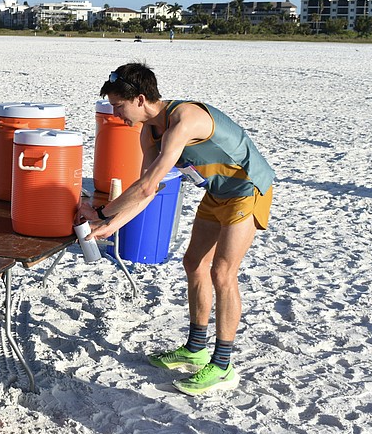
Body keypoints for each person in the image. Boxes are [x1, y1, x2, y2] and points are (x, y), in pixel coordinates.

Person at [79, 62, 274, 396]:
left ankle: (223, 366)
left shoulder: (184, 120)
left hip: (248, 188)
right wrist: (109, 225)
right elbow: (148, 190)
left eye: (119, 106)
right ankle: (196, 348)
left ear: (140, 99)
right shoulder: (148, 132)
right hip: (218, 192)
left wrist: (101, 212)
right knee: (194, 264)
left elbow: (145, 186)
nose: (116, 114)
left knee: (223, 272)